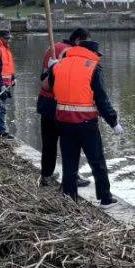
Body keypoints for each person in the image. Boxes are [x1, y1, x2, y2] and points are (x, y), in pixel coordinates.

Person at [48, 38, 122, 206]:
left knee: (69, 162)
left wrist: (51, 68)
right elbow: (102, 99)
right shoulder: (93, 67)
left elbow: (51, 86)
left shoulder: (60, 65)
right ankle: (105, 198)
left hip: (64, 123)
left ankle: (69, 197)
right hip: (86, 123)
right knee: (97, 162)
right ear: (92, 53)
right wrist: (114, 122)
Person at [37, 28, 92, 188]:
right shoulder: (69, 52)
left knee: (49, 142)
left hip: (45, 102)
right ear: (77, 41)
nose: (87, 48)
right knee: (70, 142)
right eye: (86, 43)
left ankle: (46, 175)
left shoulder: (53, 48)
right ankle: (72, 176)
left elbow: (43, 77)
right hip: (59, 103)